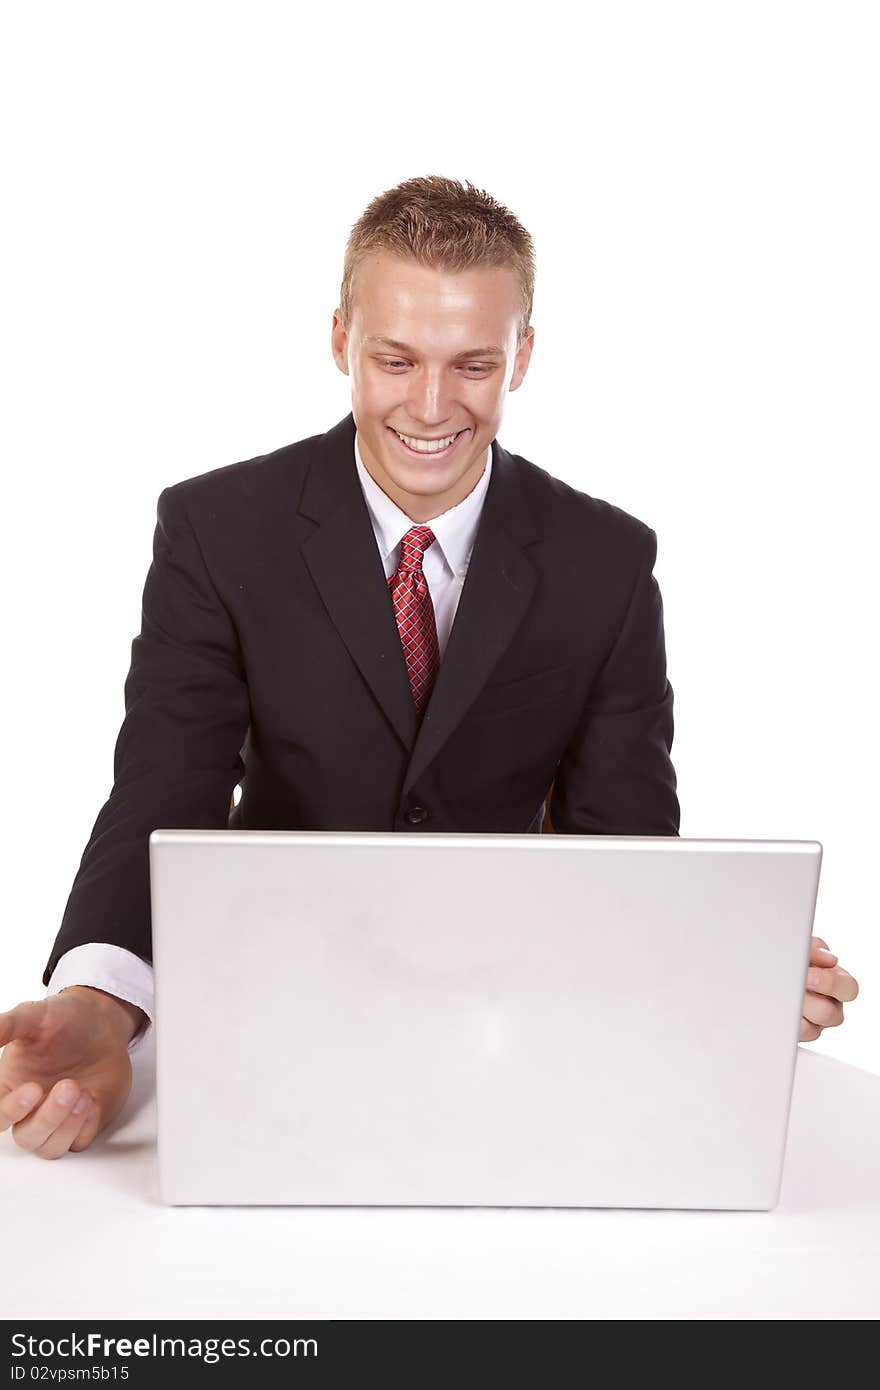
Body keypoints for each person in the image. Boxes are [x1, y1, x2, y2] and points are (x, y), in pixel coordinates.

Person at [0, 175, 860, 1161]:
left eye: (474, 364)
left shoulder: (604, 561)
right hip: (269, 1021)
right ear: (340, 343)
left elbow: (622, 845)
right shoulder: (218, 530)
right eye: (396, 359)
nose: (432, 405)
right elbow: (164, 779)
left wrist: (711, 971)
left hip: (504, 1030)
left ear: (522, 358)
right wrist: (98, 1002)